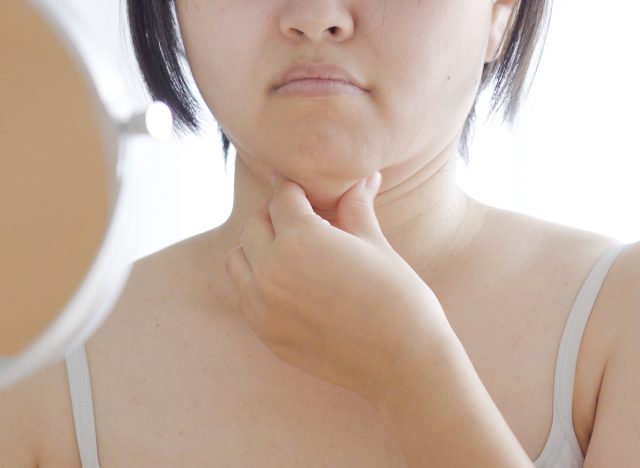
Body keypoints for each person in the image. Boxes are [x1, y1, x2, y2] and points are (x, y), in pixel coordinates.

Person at [2, 0, 639, 466]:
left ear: (501, 10)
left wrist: (411, 373)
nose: (314, 15)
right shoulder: (41, 360)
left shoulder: (618, 324)